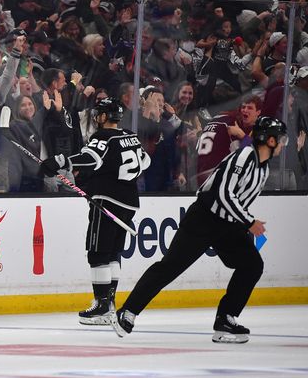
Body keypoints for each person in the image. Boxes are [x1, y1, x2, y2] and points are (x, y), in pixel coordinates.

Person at [112, 116, 289, 344]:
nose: (284, 144)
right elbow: (222, 193)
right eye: (282, 139)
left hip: (229, 224)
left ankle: (226, 318)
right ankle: (128, 311)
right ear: (271, 140)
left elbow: (236, 201)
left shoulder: (262, 168)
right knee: (170, 267)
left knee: (252, 265)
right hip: (203, 219)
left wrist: (242, 224)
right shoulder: (245, 156)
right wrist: (248, 222)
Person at [41, 98, 150, 325]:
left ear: (104, 117)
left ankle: (101, 307)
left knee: (98, 253)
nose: (96, 117)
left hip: (107, 200)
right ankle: (109, 305)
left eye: (99, 113)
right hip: (129, 202)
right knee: (112, 254)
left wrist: (58, 161)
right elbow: (145, 161)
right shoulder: (130, 135)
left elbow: (90, 159)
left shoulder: (102, 137)